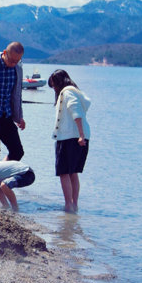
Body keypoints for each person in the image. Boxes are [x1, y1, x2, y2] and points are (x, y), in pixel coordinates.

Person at [48, 69, 91, 213]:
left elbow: (76, 113)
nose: (54, 88)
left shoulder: (67, 93)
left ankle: (68, 205)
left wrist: (81, 135)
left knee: (64, 172)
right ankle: (74, 205)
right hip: (78, 136)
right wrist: (82, 135)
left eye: (54, 85)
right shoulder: (76, 92)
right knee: (73, 172)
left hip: (69, 137)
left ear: (59, 83)